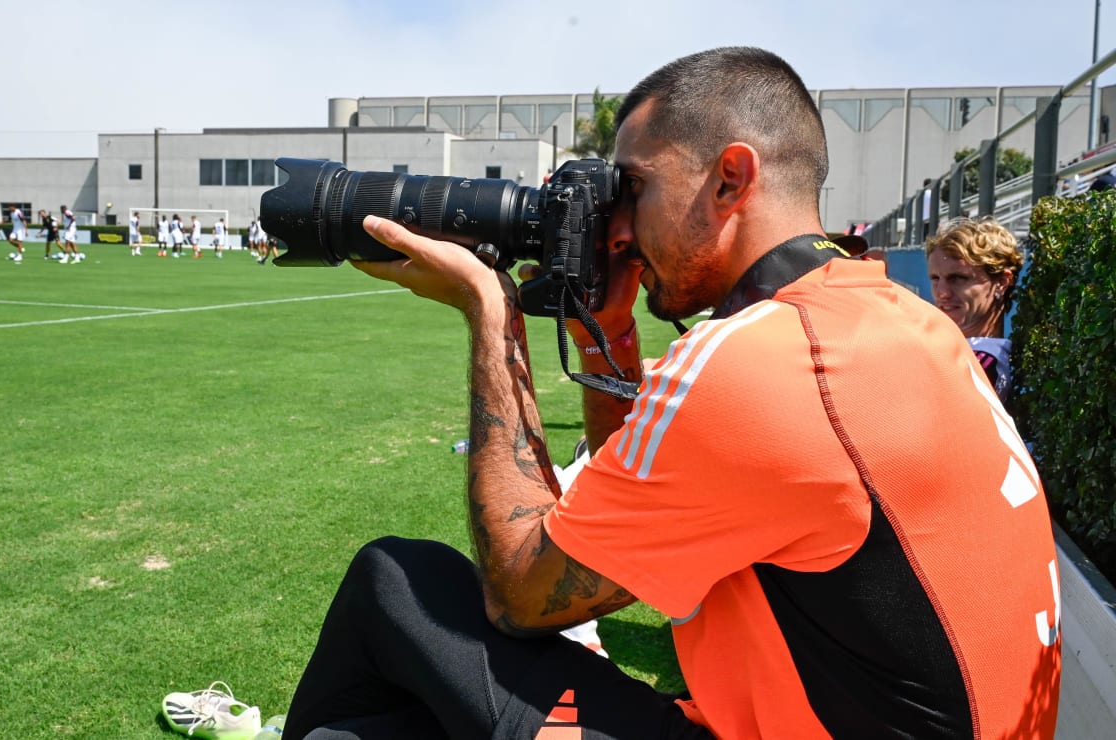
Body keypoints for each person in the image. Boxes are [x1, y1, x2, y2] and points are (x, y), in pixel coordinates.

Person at [255, 47, 1060, 740]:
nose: (619, 225)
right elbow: (639, 514)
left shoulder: (760, 359)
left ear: (730, 179)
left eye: (633, 187)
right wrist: (607, 335)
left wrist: (491, 311)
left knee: (395, 583)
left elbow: (523, 594)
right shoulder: (892, 318)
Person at [926, 217, 1025, 405]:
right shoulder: (957, 351)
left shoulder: (982, 363)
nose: (942, 293)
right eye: (935, 278)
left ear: (1002, 283)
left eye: (958, 278)